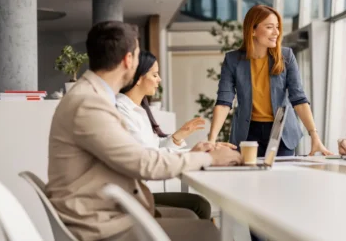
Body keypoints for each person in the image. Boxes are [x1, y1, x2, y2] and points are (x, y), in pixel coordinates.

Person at [46, 21, 242, 241]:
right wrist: (208, 158)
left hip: (103, 210)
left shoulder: (91, 97)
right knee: (206, 232)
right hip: (99, 223)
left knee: (195, 217)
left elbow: (138, 156)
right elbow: (145, 164)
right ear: (128, 60)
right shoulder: (89, 104)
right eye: (138, 55)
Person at [117, 50, 233, 220]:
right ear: (139, 78)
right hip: (132, 198)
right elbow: (150, 159)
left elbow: (154, 149)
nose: (159, 80)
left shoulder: (138, 110)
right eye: (155, 74)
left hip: (139, 192)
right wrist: (195, 153)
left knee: (200, 205)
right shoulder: (122, 111)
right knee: (196, 210)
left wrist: (178, 137)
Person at [208, 4, 332, 158]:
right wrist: (212, 140)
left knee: (281, 180)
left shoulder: (286, 56)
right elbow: (224, 101)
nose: (276, 32)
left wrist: (314, 135)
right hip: (248, 133)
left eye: (277, 27)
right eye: (269, 27)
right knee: (249, 179)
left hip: (281, 131)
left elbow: (298, 98)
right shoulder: (233, 60)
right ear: (252, 30)